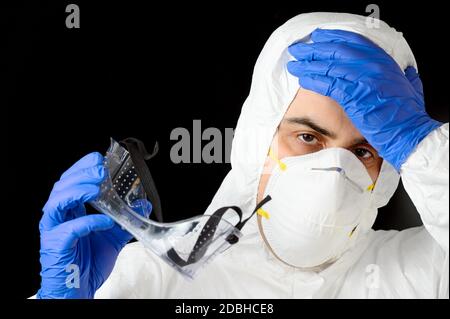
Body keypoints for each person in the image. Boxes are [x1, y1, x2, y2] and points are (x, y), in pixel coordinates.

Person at [35, 12, 448, 299]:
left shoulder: (427, 272)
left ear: (391, 169)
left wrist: (423, 144)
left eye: (363, 151)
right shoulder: (151, 276)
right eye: (307, 137)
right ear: (258, 141)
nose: (335, 172)